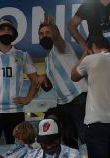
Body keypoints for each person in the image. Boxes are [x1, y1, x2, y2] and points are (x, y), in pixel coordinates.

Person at [36, 17, 89, 149]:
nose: (44, 36)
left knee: (86, 138)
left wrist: (53, 28)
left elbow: (58, 38)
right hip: (63, 105)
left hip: (78, 98)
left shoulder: (62, 48)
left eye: (47, 32)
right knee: (68, 141)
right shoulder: (47, 59)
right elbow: (49, 86)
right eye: (41, 34)